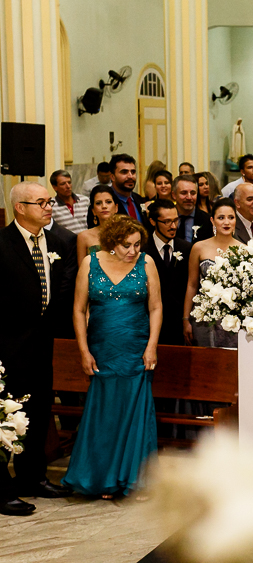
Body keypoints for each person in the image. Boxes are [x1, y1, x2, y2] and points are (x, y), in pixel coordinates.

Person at [63, 214, 160, 499]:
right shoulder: (89, 263)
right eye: (126, 245)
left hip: (136, 348)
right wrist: (84, 351)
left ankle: (132, 478)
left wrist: (152, 346)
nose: (133, 251)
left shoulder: (146, 263)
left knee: (135, 412)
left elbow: (156, 307)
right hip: (102, 349)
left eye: (137, 245)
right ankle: (102, 477)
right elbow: (78, 309)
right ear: (111, 243)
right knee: (104, 412)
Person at [0, 182, 78, 514]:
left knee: (39, 411)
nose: (49, 207)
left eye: (49, 202)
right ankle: (2, 488)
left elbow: (59, 292)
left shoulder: (58, 242)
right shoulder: (2, 244)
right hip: (7, 346)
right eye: (42, 202)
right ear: (20, 208)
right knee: (7, 416)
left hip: (43, 345)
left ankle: (33, 477)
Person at [184, 198, 244, 348]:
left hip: (234, 318)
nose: (226, 222)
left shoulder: (245, 250)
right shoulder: (199, 248)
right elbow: (192, 285)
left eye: (231, 217)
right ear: (212, 220)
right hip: (205, 317)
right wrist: (185, 319)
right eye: (221, 218)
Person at [144, 198, 192, 345]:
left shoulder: (186, 248)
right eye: (167, 222)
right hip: (148, 324)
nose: (173, 226)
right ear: (153, 222)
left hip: (178, 325)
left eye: (176, 220)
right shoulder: (142, 250)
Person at [77, 186, 119, 262]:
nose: (104, 206)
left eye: (108, 202)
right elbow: (82, 267)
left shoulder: (127, 233)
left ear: (116, 208)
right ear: (93, 210)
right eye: (98, 203)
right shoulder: (83, 237)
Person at [171, 175, 211, 243]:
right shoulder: (166, 219)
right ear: (174, 195)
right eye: (184, 193)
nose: (189, 197)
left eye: (193, 193)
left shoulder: (207, 220)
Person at [49, 170, 90, 234]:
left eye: (69, 182)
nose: (68, 186)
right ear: (55, 187)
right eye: (63, 184)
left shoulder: (85, 200)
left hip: (87, 239)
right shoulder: (51, 206)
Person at [109, 153, 147, 222]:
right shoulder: (106, 202)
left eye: (133, 172)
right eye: (124, 172)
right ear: (112, 177)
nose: (130, 176)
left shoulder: (139, 199)